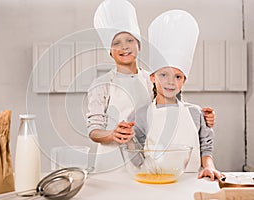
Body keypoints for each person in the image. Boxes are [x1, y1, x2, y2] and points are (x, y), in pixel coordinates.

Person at [87, 0, 215, 172]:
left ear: (138, 45)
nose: (124, 46)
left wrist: (204, 118)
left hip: (148, 162)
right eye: (116, 43)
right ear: (109, 50)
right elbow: (94, 130)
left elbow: (175, 109)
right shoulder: (101, 85)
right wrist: (112, 134)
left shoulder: (152, 77)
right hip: (112, 163)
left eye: (130, 40)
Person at [132, 10, 223, 180]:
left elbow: (206, 146)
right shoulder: (142, 114)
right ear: (152, 77)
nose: (171, 82)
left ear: (184, 81)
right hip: (155, 182)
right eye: (163, 75)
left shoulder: (195, 112)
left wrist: (209, 167)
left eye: (178, 76)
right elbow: (135, 154)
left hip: (192, 180)